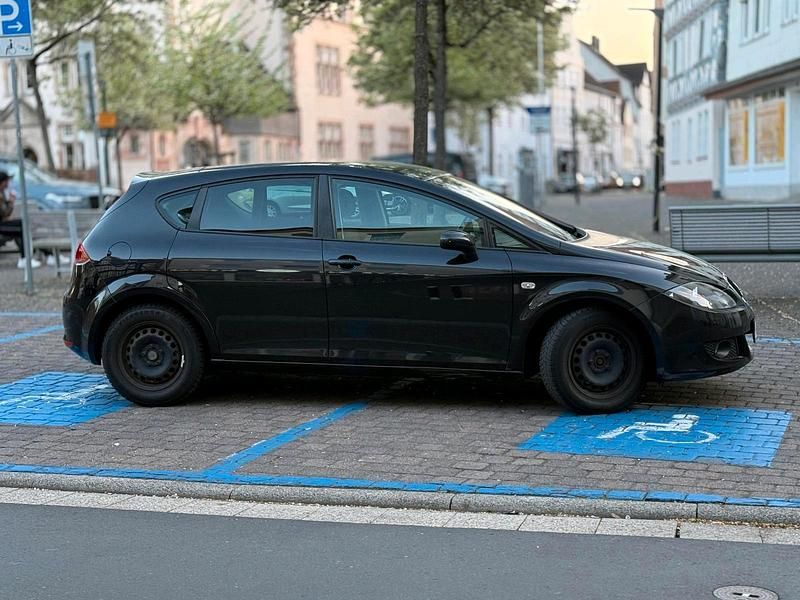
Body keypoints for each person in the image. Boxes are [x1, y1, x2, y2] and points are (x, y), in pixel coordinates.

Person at [0, 170, 41, 269]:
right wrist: (10, 201)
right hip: (1, 226)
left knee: (22, 226)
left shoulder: (2, 193)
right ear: (2, 182)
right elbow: (5, 213)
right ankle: (25, 258)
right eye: (7, 181)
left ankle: (27, 257)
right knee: (22, 226)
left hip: (3, 223)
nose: (8, 184)